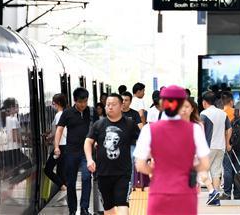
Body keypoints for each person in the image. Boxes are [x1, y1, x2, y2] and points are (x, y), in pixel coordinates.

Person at [134, 86, 210, 215]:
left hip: (159, 191)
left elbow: (140, 165)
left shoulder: (149, 129)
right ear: (182, 105)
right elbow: (205, 164)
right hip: (185, 193)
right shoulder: (194, 129)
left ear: (161, 103)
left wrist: (157, 171)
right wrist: (187, 169)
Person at [85, 94, 139, 215]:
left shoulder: (130, 124)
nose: (110, 107)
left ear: (121, 106)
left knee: (122, 204)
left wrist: (147, 158)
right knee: (108, 208)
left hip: (123, 174)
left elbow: (142, 141)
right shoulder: (98, 125)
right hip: (103, 174)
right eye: (108, 105)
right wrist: (89, 159)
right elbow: (88, 142)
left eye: (113, 104)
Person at [55, 87, 92, 215]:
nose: (83, 105)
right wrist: (56, 146)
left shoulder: (90, 111)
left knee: (87, 178)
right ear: (75, 101)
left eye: (85, 101)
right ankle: (72, 209)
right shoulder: (67, 113)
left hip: (86, 152)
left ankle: (84, 208)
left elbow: (96, 126)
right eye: (80, 102)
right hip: (71, 152)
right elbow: (59, 129)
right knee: (71, 181)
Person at [200, 91, 228, 206]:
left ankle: (212, 191)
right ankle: (215, 197)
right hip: (220, 146)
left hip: (208, 147)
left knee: (201, 170)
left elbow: (201, 131)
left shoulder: (204, 114)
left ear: (204, 102)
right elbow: (228, 129)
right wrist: (227, 144)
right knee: (216, 172)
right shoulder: (223, 113)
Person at [45, 93, 67, 189]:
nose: (53, 105)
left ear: (58, 103)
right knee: (60, 170)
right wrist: (49, 135)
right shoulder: (63, 114)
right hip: (63, 145)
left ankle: (62, 186)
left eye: (53, 103)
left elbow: (59, 130)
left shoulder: (59, 115)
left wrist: (51, 139)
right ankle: (64, 186)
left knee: (47, 169)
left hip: (60, 146)